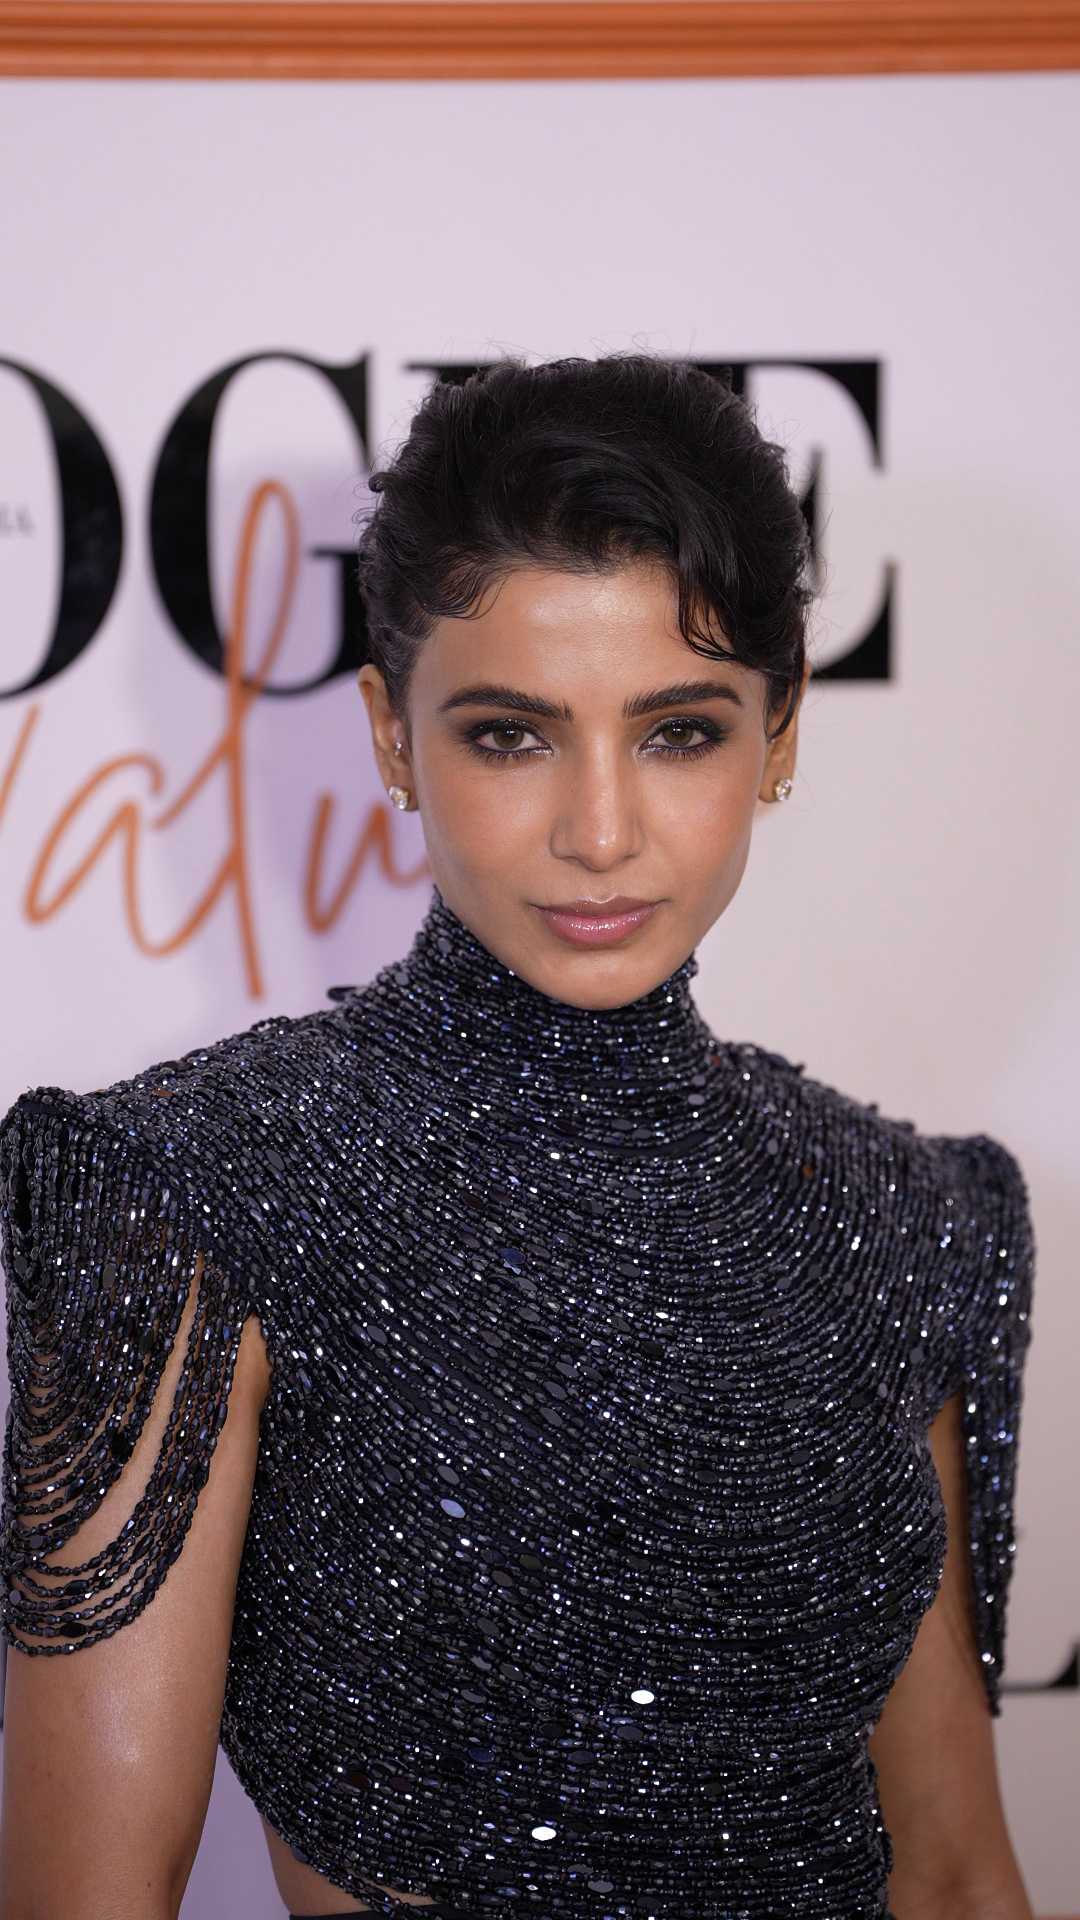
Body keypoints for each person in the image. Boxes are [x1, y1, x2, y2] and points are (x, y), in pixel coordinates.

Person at [0, 353, 1036, 1920]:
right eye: (510, 735)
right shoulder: (197, 1188)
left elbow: (956, 1872)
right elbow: (88, 1897)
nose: (599, 831)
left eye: (679, 732)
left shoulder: (908, 1220)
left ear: (779, 734)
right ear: (392, 736)